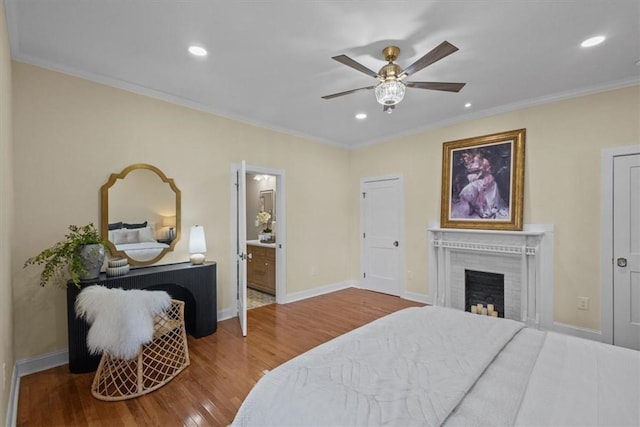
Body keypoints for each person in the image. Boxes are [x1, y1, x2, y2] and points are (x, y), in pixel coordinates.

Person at [451, 150, 508, 219]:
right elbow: (477, 169)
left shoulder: (485, 161)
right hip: (481, 178)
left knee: (477, 188)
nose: (476, 157)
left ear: (481, 155)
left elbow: (484, 172)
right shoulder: (477, 160)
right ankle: (472, 206)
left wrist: (477, 176)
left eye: (477, 155)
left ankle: (481, 209)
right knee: (466, 191)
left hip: (487, 179)